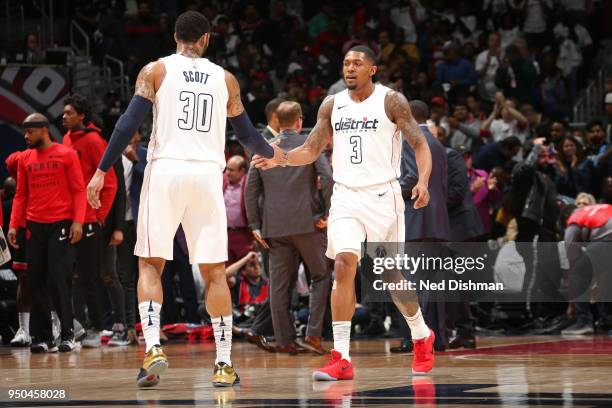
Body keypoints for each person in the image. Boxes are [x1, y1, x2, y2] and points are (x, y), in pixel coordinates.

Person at [86, 11, 282, 388]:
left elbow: (127, 123)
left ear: (175, 36)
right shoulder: (226, 79)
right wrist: (275, 153)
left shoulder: (155, 70)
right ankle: (224, 365)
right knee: (213, 272)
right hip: (208, 176)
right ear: (206, 39)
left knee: (150, 264)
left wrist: (100, 170)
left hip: (166, 173)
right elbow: (247, 137)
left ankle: (154, 349)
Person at [253, 45, 434, 380]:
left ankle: (421, 334)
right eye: (346, 63)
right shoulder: (331, 105)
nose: (350, 68)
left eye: (358, 63)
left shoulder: (391, 101)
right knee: (343, 266)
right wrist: (279, 158)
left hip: (383, 196)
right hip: (346, 196)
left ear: (373, 69)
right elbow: (309, 150)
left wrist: (423, 181)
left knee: (391, 277)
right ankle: (342, 357)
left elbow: (419, 144)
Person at [245, 101, 333, 355]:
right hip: (308, 223)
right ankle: (313, 335)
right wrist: (328, 212)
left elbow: (251, 190)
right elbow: (326, 178)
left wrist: (254, 225)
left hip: (274, 226)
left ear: (277, 121)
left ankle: (285, 341)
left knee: (279, 286)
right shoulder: (309, 144)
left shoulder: (261, 148)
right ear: (299, 121)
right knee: (321, 275)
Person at [8, 114, 86, 353]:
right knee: (35, 280)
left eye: (29, 132)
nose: (25, 136)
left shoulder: (66, 155)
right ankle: (42, 337)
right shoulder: (25, 159)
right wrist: (14, 225)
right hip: (35, 225)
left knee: (58, 278)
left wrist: (78, 222)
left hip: (60, 223)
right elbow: (21, 194)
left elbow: (78, 190)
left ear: (42, 130)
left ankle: (67, 334)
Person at [63, 94, 118, 348]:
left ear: (81, 116)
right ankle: (76, 326)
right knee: (68, 276)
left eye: (69, 113)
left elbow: (111, 183)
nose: (64, 117)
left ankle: (98, 327)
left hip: (88, 220)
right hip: (68, 217)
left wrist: (99, 216)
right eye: (63, 113)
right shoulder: (65, 139)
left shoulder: (95, 141)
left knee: (89, 276)